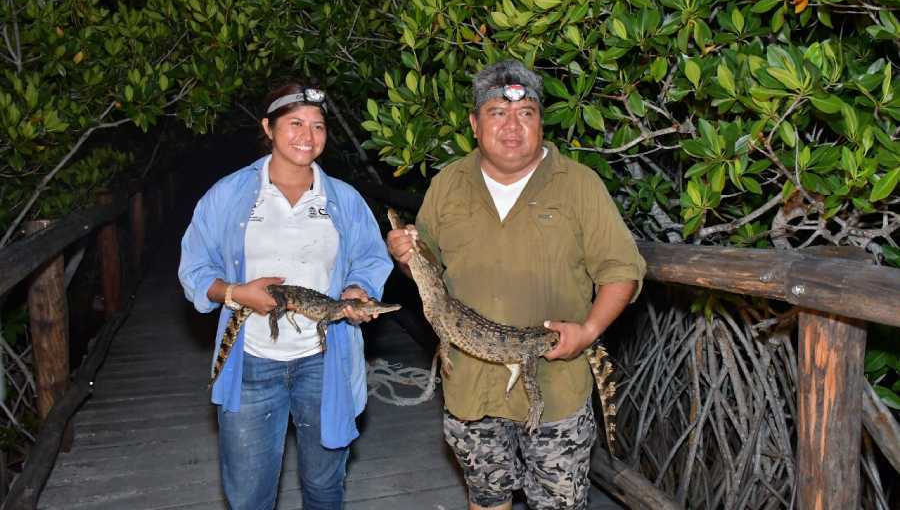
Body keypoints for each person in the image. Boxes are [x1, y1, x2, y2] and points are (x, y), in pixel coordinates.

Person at [386, 60, 646, 510]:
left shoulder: (579, 185)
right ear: (474, 123)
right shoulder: (448, 184)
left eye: (526, 113)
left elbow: (622, 270)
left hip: (554, 383)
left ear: (541, 122)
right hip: (470, 386)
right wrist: (404, 256)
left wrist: (588, 331)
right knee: (487, 499)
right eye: (497, 113)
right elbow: (423, 268)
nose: (512, 126)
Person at [178, 82, 393, 510]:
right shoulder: (230, 195)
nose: (307, 136)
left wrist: (358, 290)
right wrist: (236, 293)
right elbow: (195, 269)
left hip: (324, 362)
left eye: (318, 126)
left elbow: (371, 259)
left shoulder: (344, 200)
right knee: (250, 494)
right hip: (252, 361)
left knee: (324, 486)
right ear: (268, 128)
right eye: (295, 123)